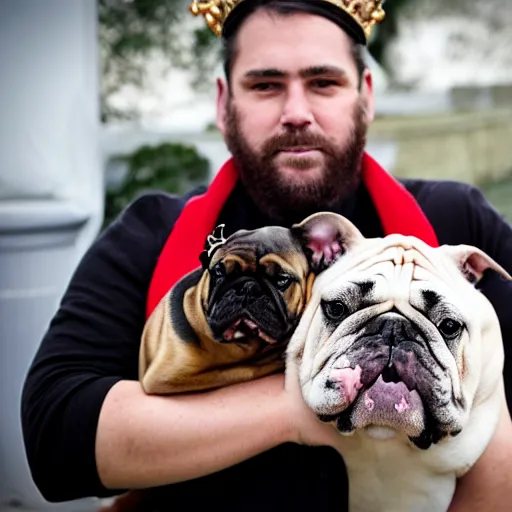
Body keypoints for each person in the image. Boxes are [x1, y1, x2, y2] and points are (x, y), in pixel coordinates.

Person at [21, 0, 512, 510]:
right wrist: (299, 404)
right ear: (222, 102)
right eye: (265, 85)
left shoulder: (456, 223)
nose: (296, 112)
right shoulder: (150, 232)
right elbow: (56, 438)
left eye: (324, 82)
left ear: (365, 97)